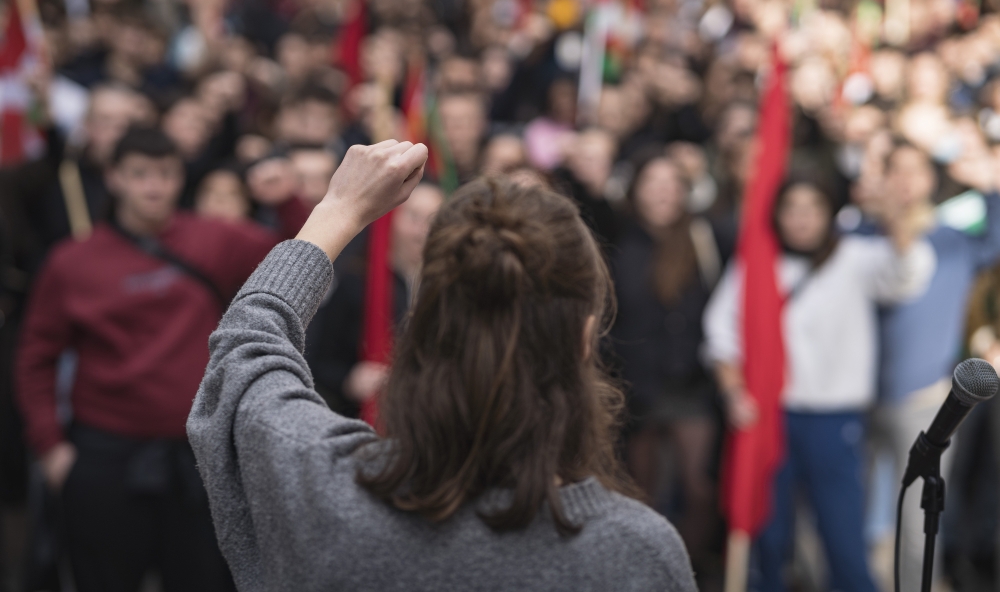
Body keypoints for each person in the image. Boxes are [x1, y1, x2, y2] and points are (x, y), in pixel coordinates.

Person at [187, 139, 698, 591]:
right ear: (586, 340)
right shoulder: (637, 555)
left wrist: (338, 209)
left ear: (421, 331)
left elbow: (243, 352)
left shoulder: (325, 489)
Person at [15, 127, 308, 592]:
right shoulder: (71, 262)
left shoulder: (215, 238)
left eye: (166, 174)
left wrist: (288, 198)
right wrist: (50, 447)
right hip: (102, 458)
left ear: (180, 178)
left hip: (196, 460)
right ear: (114, 178)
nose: (154, 186)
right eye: (140, 174)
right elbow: (35, 357)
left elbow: (301, 252)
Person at [703, 175, 936, 592]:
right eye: (791, 209)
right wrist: (733, 391)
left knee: (843, 536)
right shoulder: (757, 264)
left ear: (829, 213)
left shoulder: (857, 256)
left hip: (836, 419)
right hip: (771, 417)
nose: (801, 220)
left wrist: (893, 220)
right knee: (767, 536)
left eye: (812, 209)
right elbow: (721, 332)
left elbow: (907, 275)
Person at [872, 141, 1000, 590]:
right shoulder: (860, 235)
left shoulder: (953, 239)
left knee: (917, 524)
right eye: (896, 170)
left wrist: (988, 185)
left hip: (925, 400)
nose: (906, 182)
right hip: (859, 400)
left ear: (931, 181)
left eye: (916, 172)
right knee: (857, 522)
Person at [611, 153, 723, 576]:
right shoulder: (618, 242)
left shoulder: (704, 239)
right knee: (641, 494)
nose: (661, 191)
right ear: (635, 190)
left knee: (699, 490)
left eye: (671, 182)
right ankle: (640, 575)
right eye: (651, 181)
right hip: (638, 388)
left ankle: (679, 571)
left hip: (691, 384)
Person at [305, 181, 445, 415]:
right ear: (390, 220)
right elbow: (319, 360)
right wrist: (349, 381)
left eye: (433, 220)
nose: (423, 231)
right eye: (413, 217)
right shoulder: (356, 282)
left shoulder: (449, 285)